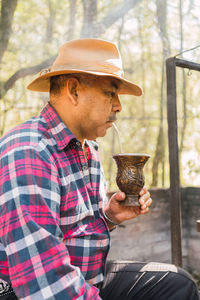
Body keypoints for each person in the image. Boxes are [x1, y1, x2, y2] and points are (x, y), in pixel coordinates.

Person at [0, 38, 199, 300]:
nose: (118, 106)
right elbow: (46, 284)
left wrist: (109, 216)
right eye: (110, 93)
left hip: (83, 277)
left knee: (177, 284)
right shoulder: (29, 151)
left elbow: (71, 230)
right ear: (73, 90)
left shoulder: (87, 148)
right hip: (27, 290)